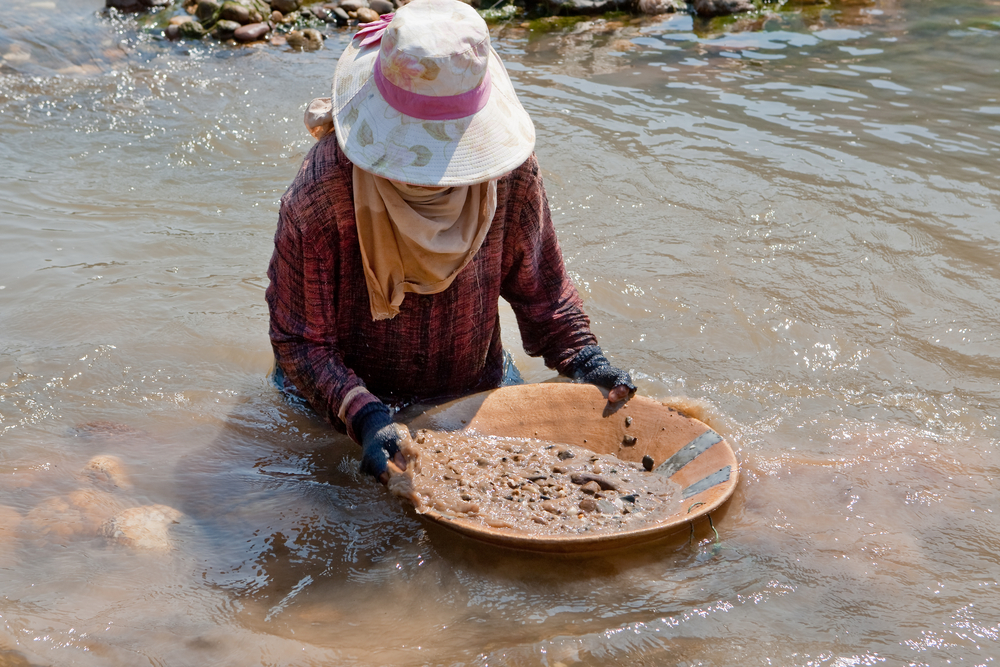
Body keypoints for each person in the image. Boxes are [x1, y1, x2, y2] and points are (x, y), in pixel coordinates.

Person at [265, 0, 636, 484]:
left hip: (474, 389)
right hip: (339, 406)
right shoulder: (321, 194)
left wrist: (588, 362)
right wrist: (366, 417)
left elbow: (542, 290)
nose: (433, 177)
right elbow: (302, 342)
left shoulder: (509, 175)